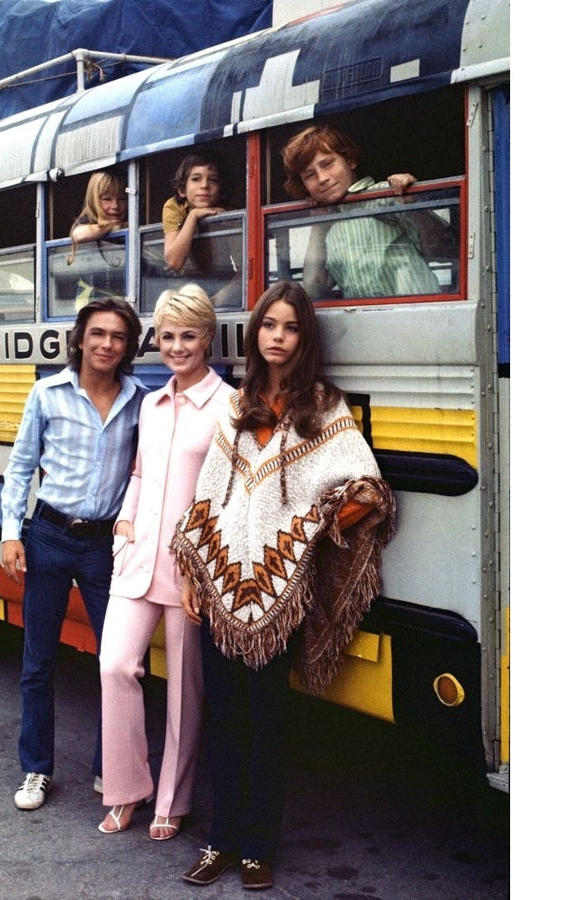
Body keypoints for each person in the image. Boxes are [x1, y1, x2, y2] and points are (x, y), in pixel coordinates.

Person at [171, 281, 396, 890]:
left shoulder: (323, 407)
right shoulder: (238, 404)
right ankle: (220, 841)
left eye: (290, 327)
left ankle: (257, 849)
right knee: (223, 716)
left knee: (267, 721)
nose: (277, 336)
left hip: (278, 590)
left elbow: (366, 486)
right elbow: (209, 495)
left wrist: (307, 533)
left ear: (304, 337)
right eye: (269, 325)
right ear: (256, 334)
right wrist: (196, 572)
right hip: (221, 586)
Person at [97, 284, 234, 840]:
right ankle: (127, 789)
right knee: (114, 665)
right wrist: (124, 526)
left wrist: (205, 569)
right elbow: (137, 475)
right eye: (168, 336)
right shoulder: (151, 405)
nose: (177, 347)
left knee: (185, 690)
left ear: (207, 338)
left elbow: (230, 495)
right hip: (137, 559)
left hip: (190, 574)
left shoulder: (230, 407)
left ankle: (172, 802)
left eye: (189, 336)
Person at [1, 296, 146, 811]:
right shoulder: (47, 394)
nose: (107, 344)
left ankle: (111, 769)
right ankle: (36, 769)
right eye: (98, 334)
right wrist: (10, 532)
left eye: (119, 337)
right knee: (38, 659)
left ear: (128, 347)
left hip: (105, 547)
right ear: (80, 339)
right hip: (48, 536)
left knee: (116, 660)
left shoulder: (140, 401)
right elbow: (20, 468)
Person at [281, 122, 451, 299]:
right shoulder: (329, 222)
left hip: (418, 315)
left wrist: (412, 203)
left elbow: (443, 251)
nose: (322, 178)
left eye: (328, 164)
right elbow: (313, 290)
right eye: (310, 175)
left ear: (350, 161)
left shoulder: (385, 194)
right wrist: (318, 225)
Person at [162, 152, 240, 305]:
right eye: (196, 179)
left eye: (213, 180)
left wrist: (216, 301)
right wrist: (193, 216)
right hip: (183, 294)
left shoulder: (230, 215)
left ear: (221, 188)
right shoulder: (174, 206)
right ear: (181, 190)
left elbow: (245, 271)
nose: (204, 185)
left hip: (223, 290)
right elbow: (174, 262)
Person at [68, 169, 128, 261]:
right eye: (107, 199)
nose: (115, 206)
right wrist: (114, 227)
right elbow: (78, 235)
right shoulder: (89, 219)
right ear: (94, 200)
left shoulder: (132, 218)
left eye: (122, 199)